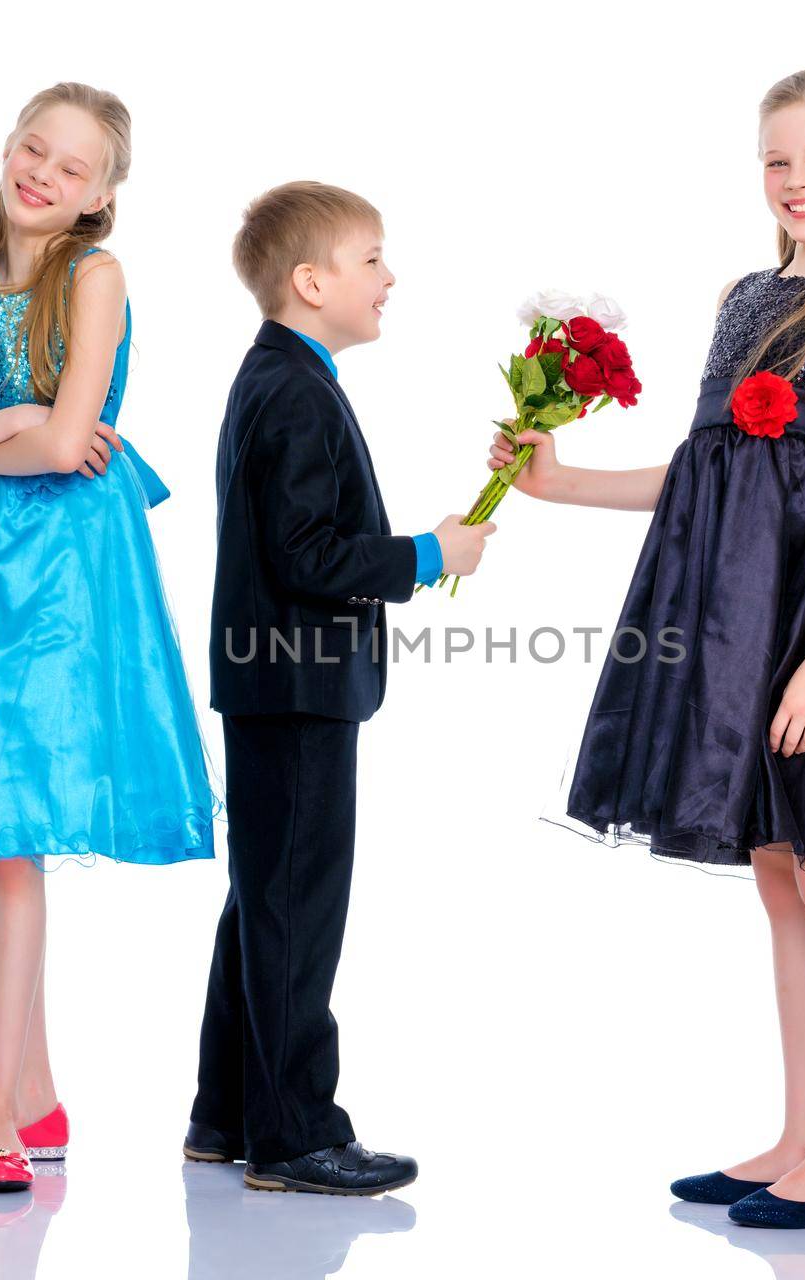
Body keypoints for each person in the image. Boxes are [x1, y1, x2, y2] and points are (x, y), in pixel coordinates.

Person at [489, 68, 805, 1229]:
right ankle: (798, 1132)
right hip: (728, 606)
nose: (797, 181)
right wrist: (557, 480)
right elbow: (705, 468)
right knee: (777, 873)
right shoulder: (740, 294)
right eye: (776, 160)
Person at [0, 82, 218, 1192]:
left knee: (15, 827)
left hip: (69, 567)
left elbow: (75, 446)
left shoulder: (95, 275)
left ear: (99, 197)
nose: (44, 174)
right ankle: (34, 1091)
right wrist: (18, 422)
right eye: (35, 148)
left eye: (73, 168)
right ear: (9, 148)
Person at [184, 180, 494, 1195]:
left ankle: (227, 1113)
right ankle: (293, 1132)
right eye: (371, 259)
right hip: (297, 685)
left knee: (263, 900)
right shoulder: (292, 388)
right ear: (311, 281)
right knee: (294, 908)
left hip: (276, 682)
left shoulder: (282, 376)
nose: (388, 275)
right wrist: (423, 552)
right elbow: (309, 553)